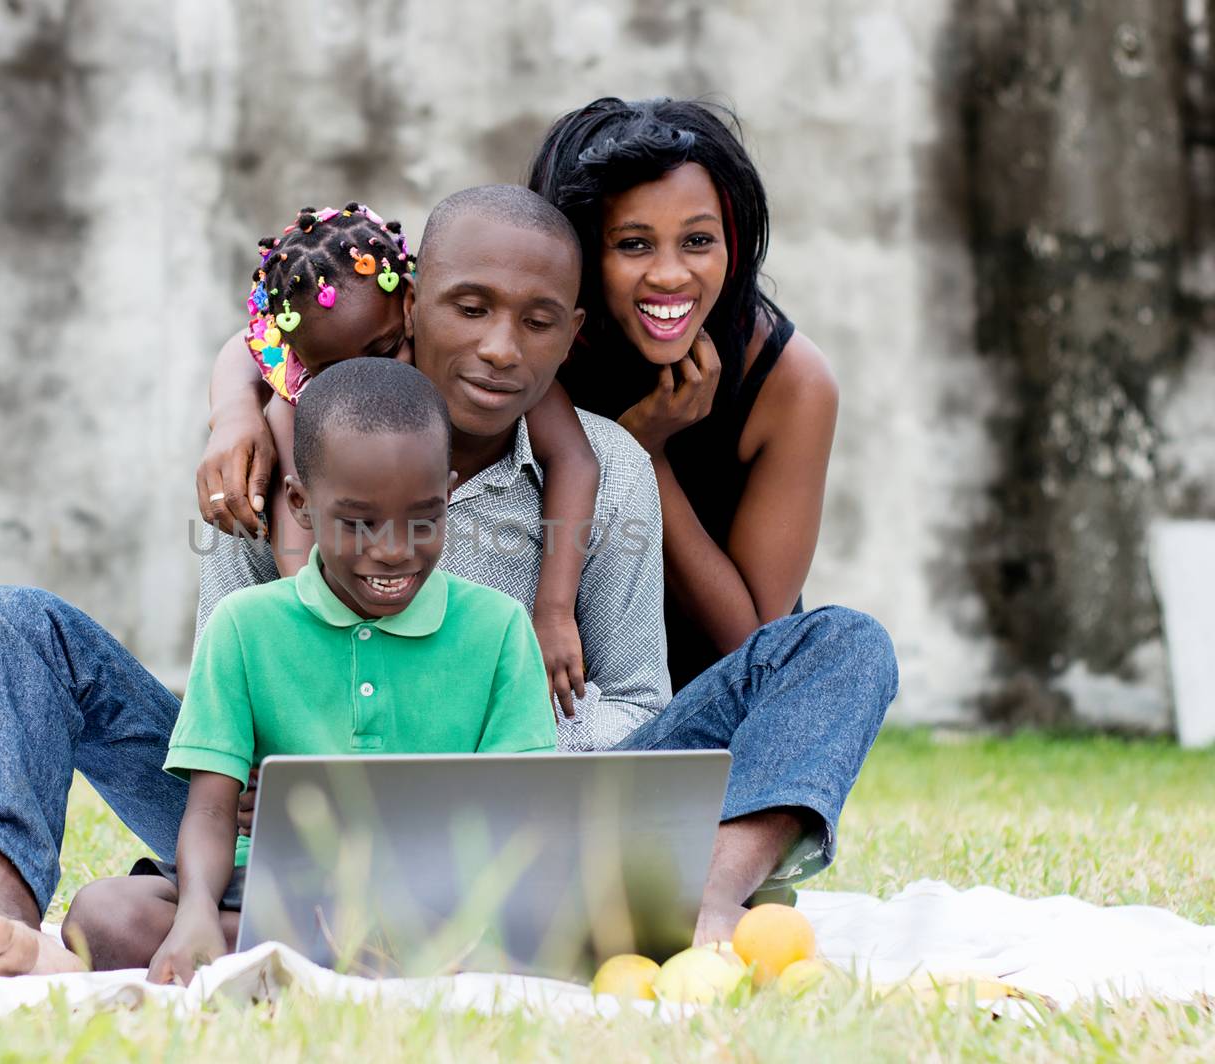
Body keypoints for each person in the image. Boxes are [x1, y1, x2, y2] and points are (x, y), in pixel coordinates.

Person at [196, 184, 896, 942]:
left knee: (845, 645)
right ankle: (73, 924)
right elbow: (221, 711)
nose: (501, 349)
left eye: (537, 324)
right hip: (291, 827)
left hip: (542, 830)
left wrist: (454, 768)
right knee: (46, 633)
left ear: (570, 336)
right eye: (469, 310)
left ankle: (710, 898)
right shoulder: (275, 463)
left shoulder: (610, 468)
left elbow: (636, 706)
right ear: (413, 306)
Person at [42, 358, 559, 980]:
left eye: (422, 518)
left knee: (554, 917)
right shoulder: (245, 626)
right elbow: (210, 809)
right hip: (269, 887)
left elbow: (512, 816)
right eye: (359, 522)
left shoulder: (499, 629)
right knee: (104, 916)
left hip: (432, 894)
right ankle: (370, 958)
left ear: (447, 496)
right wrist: (198, 910)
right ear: (301, 504)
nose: (392, 549)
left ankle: (321, 955)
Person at [202, 201, 599, 713]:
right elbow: (297, 548)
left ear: (411, 309)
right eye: (331, 373)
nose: (362, 385)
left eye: (385, 351)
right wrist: (234, 412)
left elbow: (577, 460)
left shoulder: (510, 382)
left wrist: (553, 612)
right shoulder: (294, 410)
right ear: (300, 366)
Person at [527, 96, 840, 692]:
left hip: (714, 709)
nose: (670, 275)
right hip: (568, 693)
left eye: (697, 241)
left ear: (734, 243)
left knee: (850, 645)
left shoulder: (790, 382)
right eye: (634, 244)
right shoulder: (540, 352)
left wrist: (644, 455)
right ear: (583, 250)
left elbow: (750, 647)